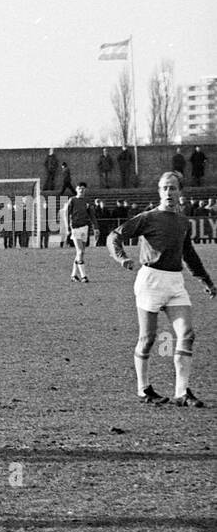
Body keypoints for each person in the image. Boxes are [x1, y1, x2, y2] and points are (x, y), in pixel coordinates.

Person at [106, 172, 215, 407]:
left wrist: (206, 281)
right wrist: (122, 258)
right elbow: (114, 235)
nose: (168, 192)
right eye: (164, 188)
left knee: (187, 334)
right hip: (151, 282)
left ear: (180, 192)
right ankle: (143, 389)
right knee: (148, 339)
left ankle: (181, 392)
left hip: (175, 283)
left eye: (173, 188)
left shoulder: (183, 221)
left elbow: (190, 255)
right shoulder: (148, 218)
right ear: (159, 192)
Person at [61, 182, 97, 283]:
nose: (81, 190)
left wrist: (96, 228)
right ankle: (83, 276)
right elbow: (66, 214)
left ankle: (73, 275)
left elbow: (92, 215)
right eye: (79, 188)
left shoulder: (87, 201)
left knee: (80, 253)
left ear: (85, 190)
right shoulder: (72, 200)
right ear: (76, 189)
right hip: (75, 228)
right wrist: (67, 227)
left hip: (85, 227)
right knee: (80, 251)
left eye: (83, 188)